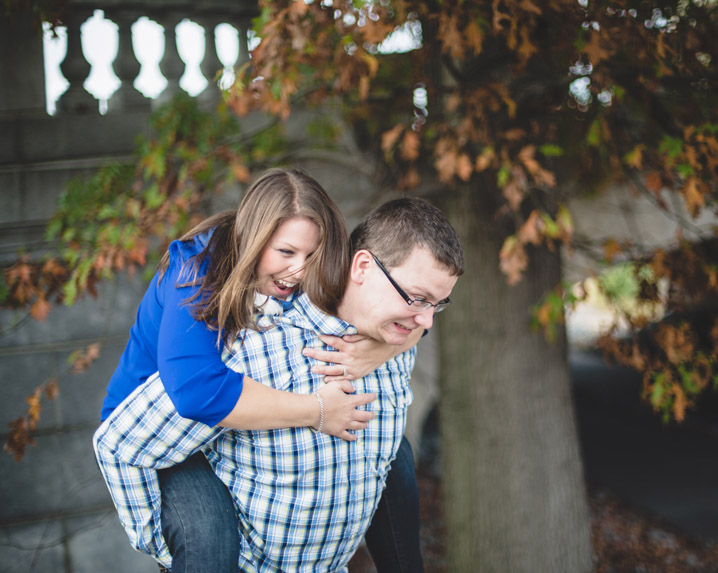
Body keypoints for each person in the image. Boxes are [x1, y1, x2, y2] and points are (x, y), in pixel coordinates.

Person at [94, 197, 464, 572]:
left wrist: (388, 345)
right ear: (363, 267)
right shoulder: (248, 343)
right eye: (418, 299)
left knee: (397, 456)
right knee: (204, 530)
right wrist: (164, 548)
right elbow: (123, 441)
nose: (428, 320)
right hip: (170, 413)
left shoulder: (396, 339)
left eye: (438, 304)